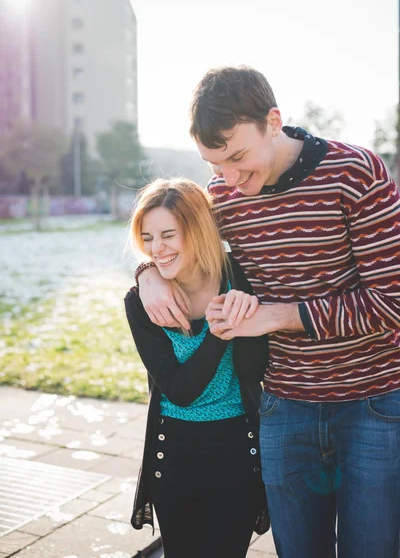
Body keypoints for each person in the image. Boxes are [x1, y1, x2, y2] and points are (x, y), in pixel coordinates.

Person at [136, 66, 400, 558]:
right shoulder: (222, 196)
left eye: (237, 157)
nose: (230, 179)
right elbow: (174, 239)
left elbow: (393, 303)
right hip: (281, 407)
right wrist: (147, 273)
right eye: (215, 165)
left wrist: (277, 316)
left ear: (273, 121)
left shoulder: (356, 171)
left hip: (372, 404)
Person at [124, 178, 269, 558]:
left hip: (237, 447)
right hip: (173, 453)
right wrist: (220, 331)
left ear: (198, 230)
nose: (157, 249)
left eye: (168, 235)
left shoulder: (240, 279)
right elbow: (180, 390)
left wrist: (243, 313)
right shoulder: (142, 302)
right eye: (148, 237)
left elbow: (255, 367)